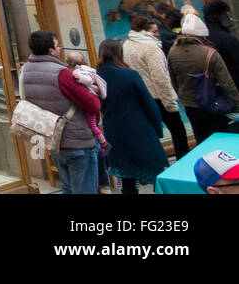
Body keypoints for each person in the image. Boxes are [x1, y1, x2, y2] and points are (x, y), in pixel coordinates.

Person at [19, 29, 102, 193]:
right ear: (51, 50)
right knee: (84, 188)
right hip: (76, 139)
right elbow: (93, 104)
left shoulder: (25, 72)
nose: (60, 49)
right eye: (58, 46)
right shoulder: (61, 73)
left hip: (53, 138)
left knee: (68, 186)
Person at [96, 39, 168, 195]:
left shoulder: (96, 77)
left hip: (113, 131)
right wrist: (157, 129)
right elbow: (149, 104)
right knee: (157, 172)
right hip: (139, 130)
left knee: (127, 179)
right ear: (119, 53)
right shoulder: (130, 75)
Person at [123, 15, 189, 160]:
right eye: (155, 32)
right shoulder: (151, 48)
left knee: (151, 136)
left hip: (140, 97)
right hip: (158, 96)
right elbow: (161, 78)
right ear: (144, 31)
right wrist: (171, 103)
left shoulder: (126, 45)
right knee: (178, 133)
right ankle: (183, 166)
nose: (158, 35)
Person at [168, 11, 239, 143]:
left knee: (201, 139)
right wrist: (237, 102)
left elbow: (173, 79)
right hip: (212, 103)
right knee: (221, 139)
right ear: (202, 36)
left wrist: (182, 98)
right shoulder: (210, 53)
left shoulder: (173, 52)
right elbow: (227, 83)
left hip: (189, 105)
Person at [64, 51, 109, 152]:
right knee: (95, 123)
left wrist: (79, 78)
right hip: (94, 101)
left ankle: (104, 144)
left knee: (92, 125)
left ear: (69, 64)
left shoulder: (79, 72)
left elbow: (88, 81)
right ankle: (101, 144)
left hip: (90, 104)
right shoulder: (86, 69)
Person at [203, 0, 239, 85]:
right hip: (233, 87)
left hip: (212, 90)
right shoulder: (228, 39)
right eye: (226, 15)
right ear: (220, 16)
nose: (230, 18)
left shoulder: (202, 38)